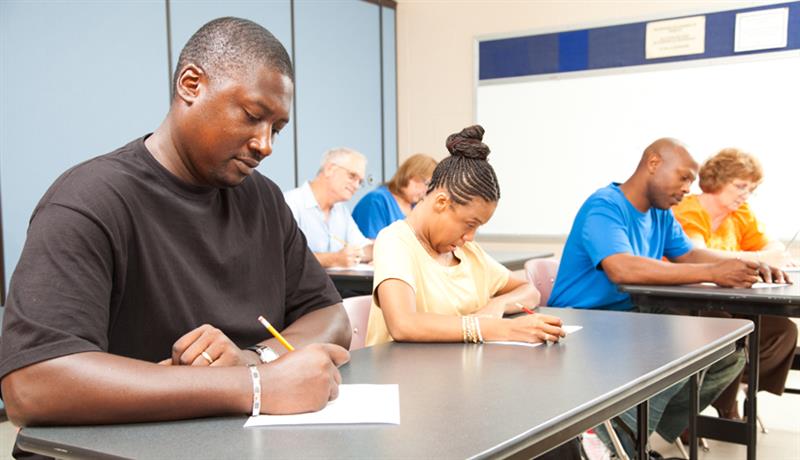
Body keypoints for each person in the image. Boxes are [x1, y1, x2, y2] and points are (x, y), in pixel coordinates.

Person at [0, 16, 351, 441]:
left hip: (240, 441)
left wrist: (255, 358)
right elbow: (32, 384)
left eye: (275, 128)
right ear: (190, 84)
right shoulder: (89, 200)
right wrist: (256, 387)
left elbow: (330, 316)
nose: (265, 144)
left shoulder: (264, 200)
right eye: (252, 116)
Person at [547, 138, 787, 457]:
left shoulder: (660, 214)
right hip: (584, 320)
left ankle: (627, 432)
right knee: (681, 347)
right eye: (684, 177)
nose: (688, 188)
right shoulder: (605, 205)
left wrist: (746, 264)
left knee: (730, 346)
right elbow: (621, 268)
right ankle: (614, 443)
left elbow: (689, 254)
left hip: (631, 314)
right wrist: (714, 272)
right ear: (654, 163)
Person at [366, 125, 565, 347]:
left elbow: (529, 290)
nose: (470, 237)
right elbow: (403, 324)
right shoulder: (396, 241)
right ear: (442, 202)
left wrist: (497, 305)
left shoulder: (468, 253)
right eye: (470, 224)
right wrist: (500, 328)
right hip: (404, 368)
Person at [672, 147, 798, 419]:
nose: (746, 194)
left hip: (729, 301)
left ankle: (730, 390)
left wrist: (763, 256)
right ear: (717, 181)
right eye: (740, 186)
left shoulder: (740, 213)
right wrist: (757, 258)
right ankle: (710, 409)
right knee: (733, 332)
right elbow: (697, 254)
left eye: (751, 189)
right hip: (685, 301)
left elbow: (773, 248)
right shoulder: (689, 210)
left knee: (782, 331)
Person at [283, 147, 374, 268]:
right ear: (329, 169)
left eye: (360, 182)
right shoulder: (290, 203)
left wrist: (379, 248)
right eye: (352, 176)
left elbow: (361, 248)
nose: (356, 186)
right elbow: (286, 256)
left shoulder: (341, 210)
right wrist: (334, 259)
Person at [352, 153, 437, 238]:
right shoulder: (376, 201)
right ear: (409, 175)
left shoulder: (416, 207)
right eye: (426, 183)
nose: (426, 190)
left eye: (430, 186)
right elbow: (372, 243)